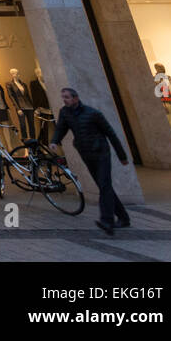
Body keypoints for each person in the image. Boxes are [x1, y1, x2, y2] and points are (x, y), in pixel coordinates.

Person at [50, 87, 129, 235]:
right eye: (63, 97)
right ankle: (123, 217)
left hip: (101, 153)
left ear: (75, 98)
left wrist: (122, 156)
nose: (64, 100)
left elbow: (111, 134)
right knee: (103, 186)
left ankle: (107, 221)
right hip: (86, 153)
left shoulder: (93, 114)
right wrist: (55, 141)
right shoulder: (65, 112)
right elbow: (61, 128)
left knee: (104, 185)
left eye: (67, 97)